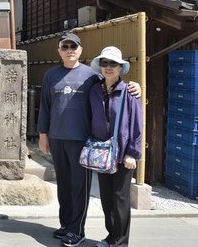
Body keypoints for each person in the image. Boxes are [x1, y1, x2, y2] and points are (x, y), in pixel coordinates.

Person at [37, 32, 140, 247]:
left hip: (82, 140)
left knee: (79, 186)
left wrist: (136, 87)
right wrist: (43, 134)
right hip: (57, 137)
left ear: (80, 50)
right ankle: (66, 224)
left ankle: (77, 229)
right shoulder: (50, 75)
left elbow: (116, 86)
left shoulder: (90, 76)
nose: (69, 50)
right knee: (63, 185)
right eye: (64, 47)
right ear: (59, 51)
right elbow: (45, 106)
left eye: (73, 47)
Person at [89, 47, 143, 247]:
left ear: (120, 67)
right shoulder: (94, 89)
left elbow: (137, 124)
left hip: (122, 154)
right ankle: (111, 236)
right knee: (106, 198)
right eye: (105, 63)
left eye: (113, 64)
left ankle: (121, 243)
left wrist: (132, 153)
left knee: (120, 199)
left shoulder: (129, 91)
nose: (109, 67)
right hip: (102, 153)